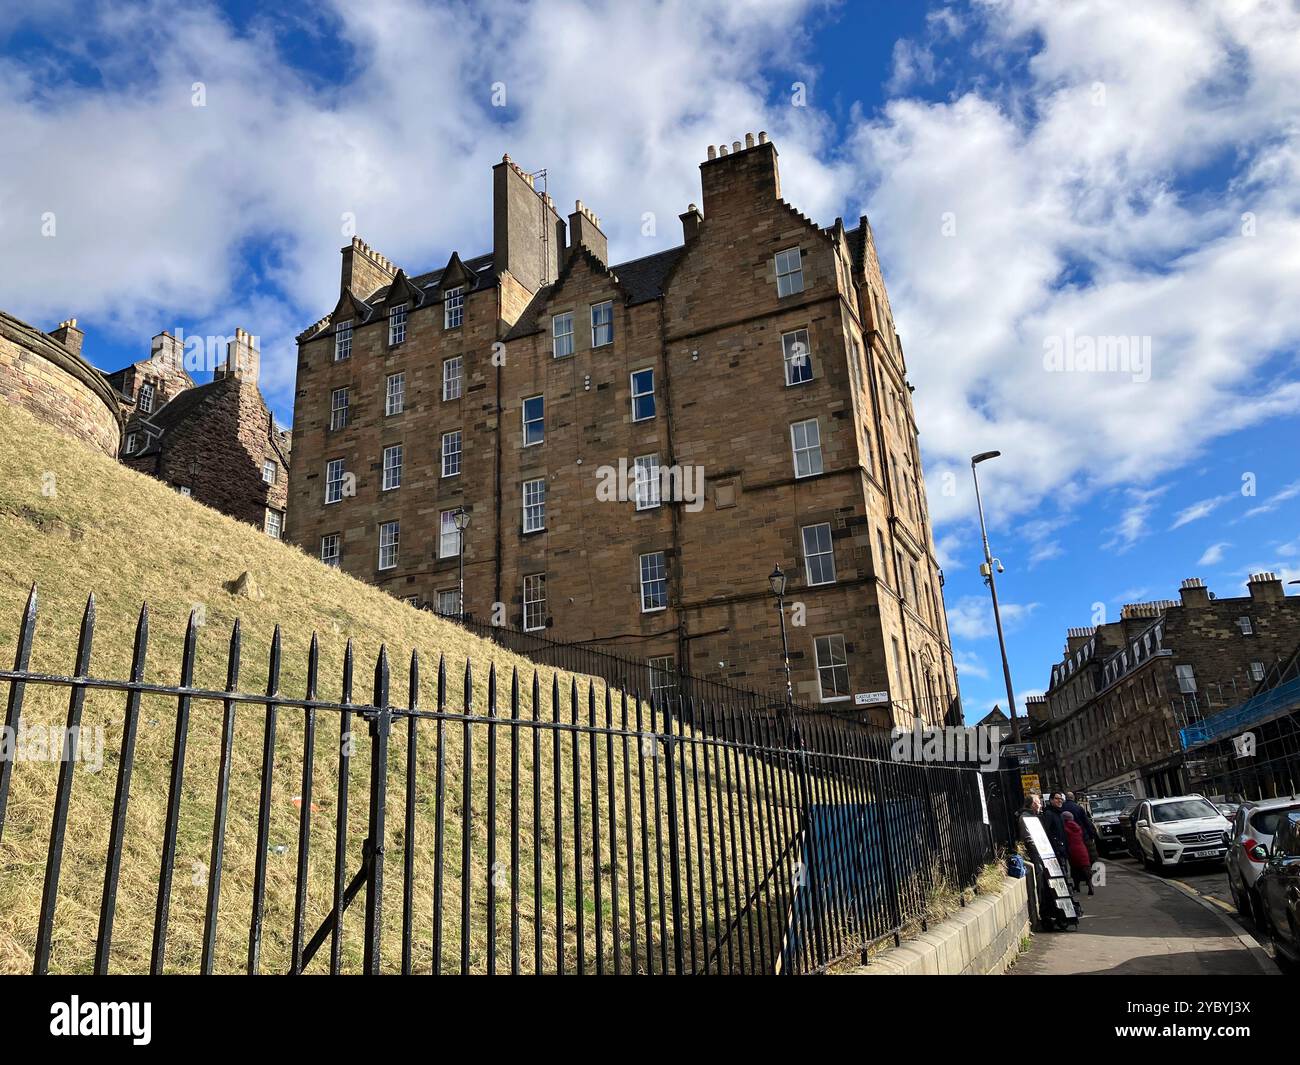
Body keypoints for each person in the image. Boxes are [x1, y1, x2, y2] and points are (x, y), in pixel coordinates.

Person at [1063, 811, 1094, 896]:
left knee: (1075, 868)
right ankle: (1090, 885)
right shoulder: (1078, 827)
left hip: (1072, 849)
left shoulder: (1065, 827)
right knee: (1086, 867)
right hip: (1082, 848)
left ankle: (1077, 886)